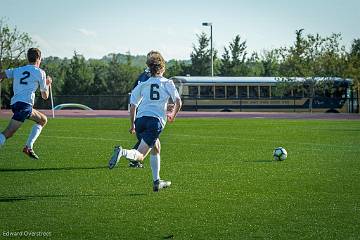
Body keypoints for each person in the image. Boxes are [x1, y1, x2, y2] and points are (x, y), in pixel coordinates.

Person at [108, 50, 182, 192]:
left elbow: (133, 105)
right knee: (140, 156)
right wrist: (172, 114)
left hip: (141, 121)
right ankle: (123, 152)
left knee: (156, 146)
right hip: (154, 123)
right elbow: (178, 101)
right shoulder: (168, 83)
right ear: (163, 68)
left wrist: (132, 125)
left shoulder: (143, 84)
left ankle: (157, 181)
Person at [0, 48, 52, 159]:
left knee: (43, 119)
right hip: (25, 106)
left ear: (28, 58)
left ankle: (28, 147)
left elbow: (2, 75)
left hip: (16, 105)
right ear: (38, 58)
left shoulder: (18, 70)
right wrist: (47, 84)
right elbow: (45, 96)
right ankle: (28, 147)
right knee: (7, 133)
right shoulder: (40, 72)